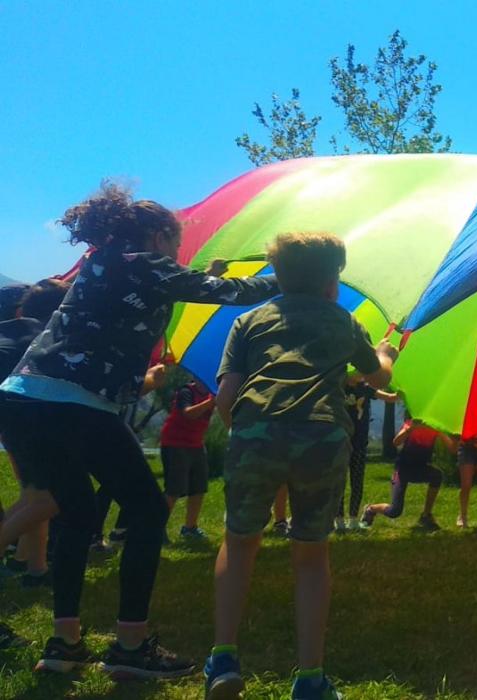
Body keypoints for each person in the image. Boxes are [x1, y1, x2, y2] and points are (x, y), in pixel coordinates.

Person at [0, 184, 278, 678]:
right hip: (77, 402)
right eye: (175, 243)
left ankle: (63, 643)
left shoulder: (103, 261)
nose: (177, 253)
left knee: (77, 510)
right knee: (148, 511)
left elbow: (174, 282)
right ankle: (130, 646)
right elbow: (228, 293)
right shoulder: (145, 262)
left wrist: (195, 274)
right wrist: (285, 278)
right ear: (156, 236)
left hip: (26, 397)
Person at [204, 232, 397, 700]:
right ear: (333, 280)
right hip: (322, 436)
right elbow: (378, 376)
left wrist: (244, 435)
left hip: (255, 432)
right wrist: (388, 351)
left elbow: (226, 398)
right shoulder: (343, 322)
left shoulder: (249, 321)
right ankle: (310, 678)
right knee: (311, 555)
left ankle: (224, 657)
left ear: (276, 277)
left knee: (240, 540)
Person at [0, 279, 69, 592]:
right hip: (20, 417)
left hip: (13, 419)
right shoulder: (45, 339)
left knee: (35, 494)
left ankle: (35, 569)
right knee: (52, 498)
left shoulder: (16, 332)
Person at [361, 414, 453, 531]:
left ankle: (426, 515)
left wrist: (448, 434)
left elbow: (452, 449)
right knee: (394, 511)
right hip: (402, 471)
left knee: (437, 475)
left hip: (420, 469)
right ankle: (371, 509)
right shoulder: (411, 424)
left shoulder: (435, 428)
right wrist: (410, 429)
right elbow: (396, 442)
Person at [336, 373, 398, 532]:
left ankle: (354, 518)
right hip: (340, 443)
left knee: (357, 481)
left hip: (359, 443)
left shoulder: (366, 388)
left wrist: (403, 393)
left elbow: (390, 397)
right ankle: (339, 519)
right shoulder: (337, 386)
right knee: (339, 482)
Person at [160, 377, 214, 541]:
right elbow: (188, 413)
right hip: (175, 443)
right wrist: (211, 402)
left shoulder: (212, 395)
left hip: (196, 444)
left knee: (199, 487)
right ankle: (157, 527)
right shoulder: (186, 392)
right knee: (174, 489)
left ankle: (190, 527)